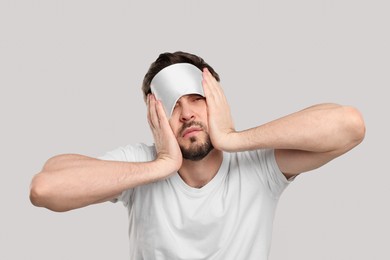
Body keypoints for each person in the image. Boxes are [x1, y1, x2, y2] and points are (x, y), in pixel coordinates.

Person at [30, 51, 366, 259]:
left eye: (197, 98)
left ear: (217, 101)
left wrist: (234, 139)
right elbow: (45, 188)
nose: (188, 113)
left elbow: (349, 125)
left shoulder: (257, 165)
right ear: (155, 118)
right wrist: (162, 164)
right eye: (173, 105)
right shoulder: (142, 162)